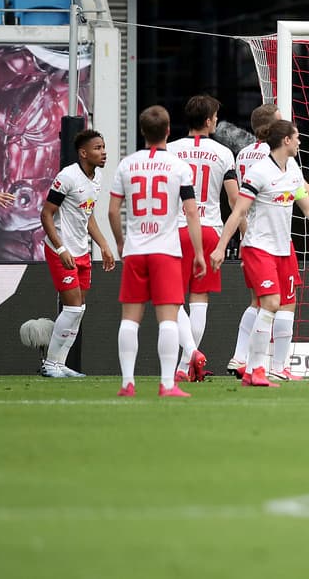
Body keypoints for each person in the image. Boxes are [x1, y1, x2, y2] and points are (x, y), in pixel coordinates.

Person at [211, 119, 309, 387]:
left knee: (285, 305)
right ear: (286, 140)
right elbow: (238, 211)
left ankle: (276, 368)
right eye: (296, 137)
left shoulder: (293, 169)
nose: (299, 141)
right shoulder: (259, 172)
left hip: (284, 249)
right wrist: (220, 247)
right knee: (270, 304)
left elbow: (308, 209)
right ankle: (254, 369)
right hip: (259, 248)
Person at [108, 106, 206, 398]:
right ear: (167, 131)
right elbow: (191, 213)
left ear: (142, 132)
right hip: (166, 251)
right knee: (168, 318)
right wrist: (199, 252)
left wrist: (121, 241)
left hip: (137, 249)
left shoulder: (127, 164)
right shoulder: (179, 167)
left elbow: (113, 210)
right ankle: (166, 384)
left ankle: (128, 382)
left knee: (129, 319)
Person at [166, 95, 239, 382]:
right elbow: (235, 200)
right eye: (216, 117)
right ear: (208, 121)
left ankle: (189, 358)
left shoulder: (169, 151)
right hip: (208, 230)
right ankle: (186, 364)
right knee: (199, 299)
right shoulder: (223, 153)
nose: (217, 121)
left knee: (172, 300)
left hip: (174, 230)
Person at [37, 129, 115, 378]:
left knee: (78, 310)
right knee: (72, 309)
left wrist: (103, 244)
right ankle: (50, 364)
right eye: (97, 148)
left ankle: (59, 364)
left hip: (82, 251)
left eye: (103, 147)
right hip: (62, 250)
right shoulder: (67, 177)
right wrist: (60, 248)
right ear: (83, 153)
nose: (103, 153)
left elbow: (87, 215)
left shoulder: (97, 177)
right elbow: (46, 214)